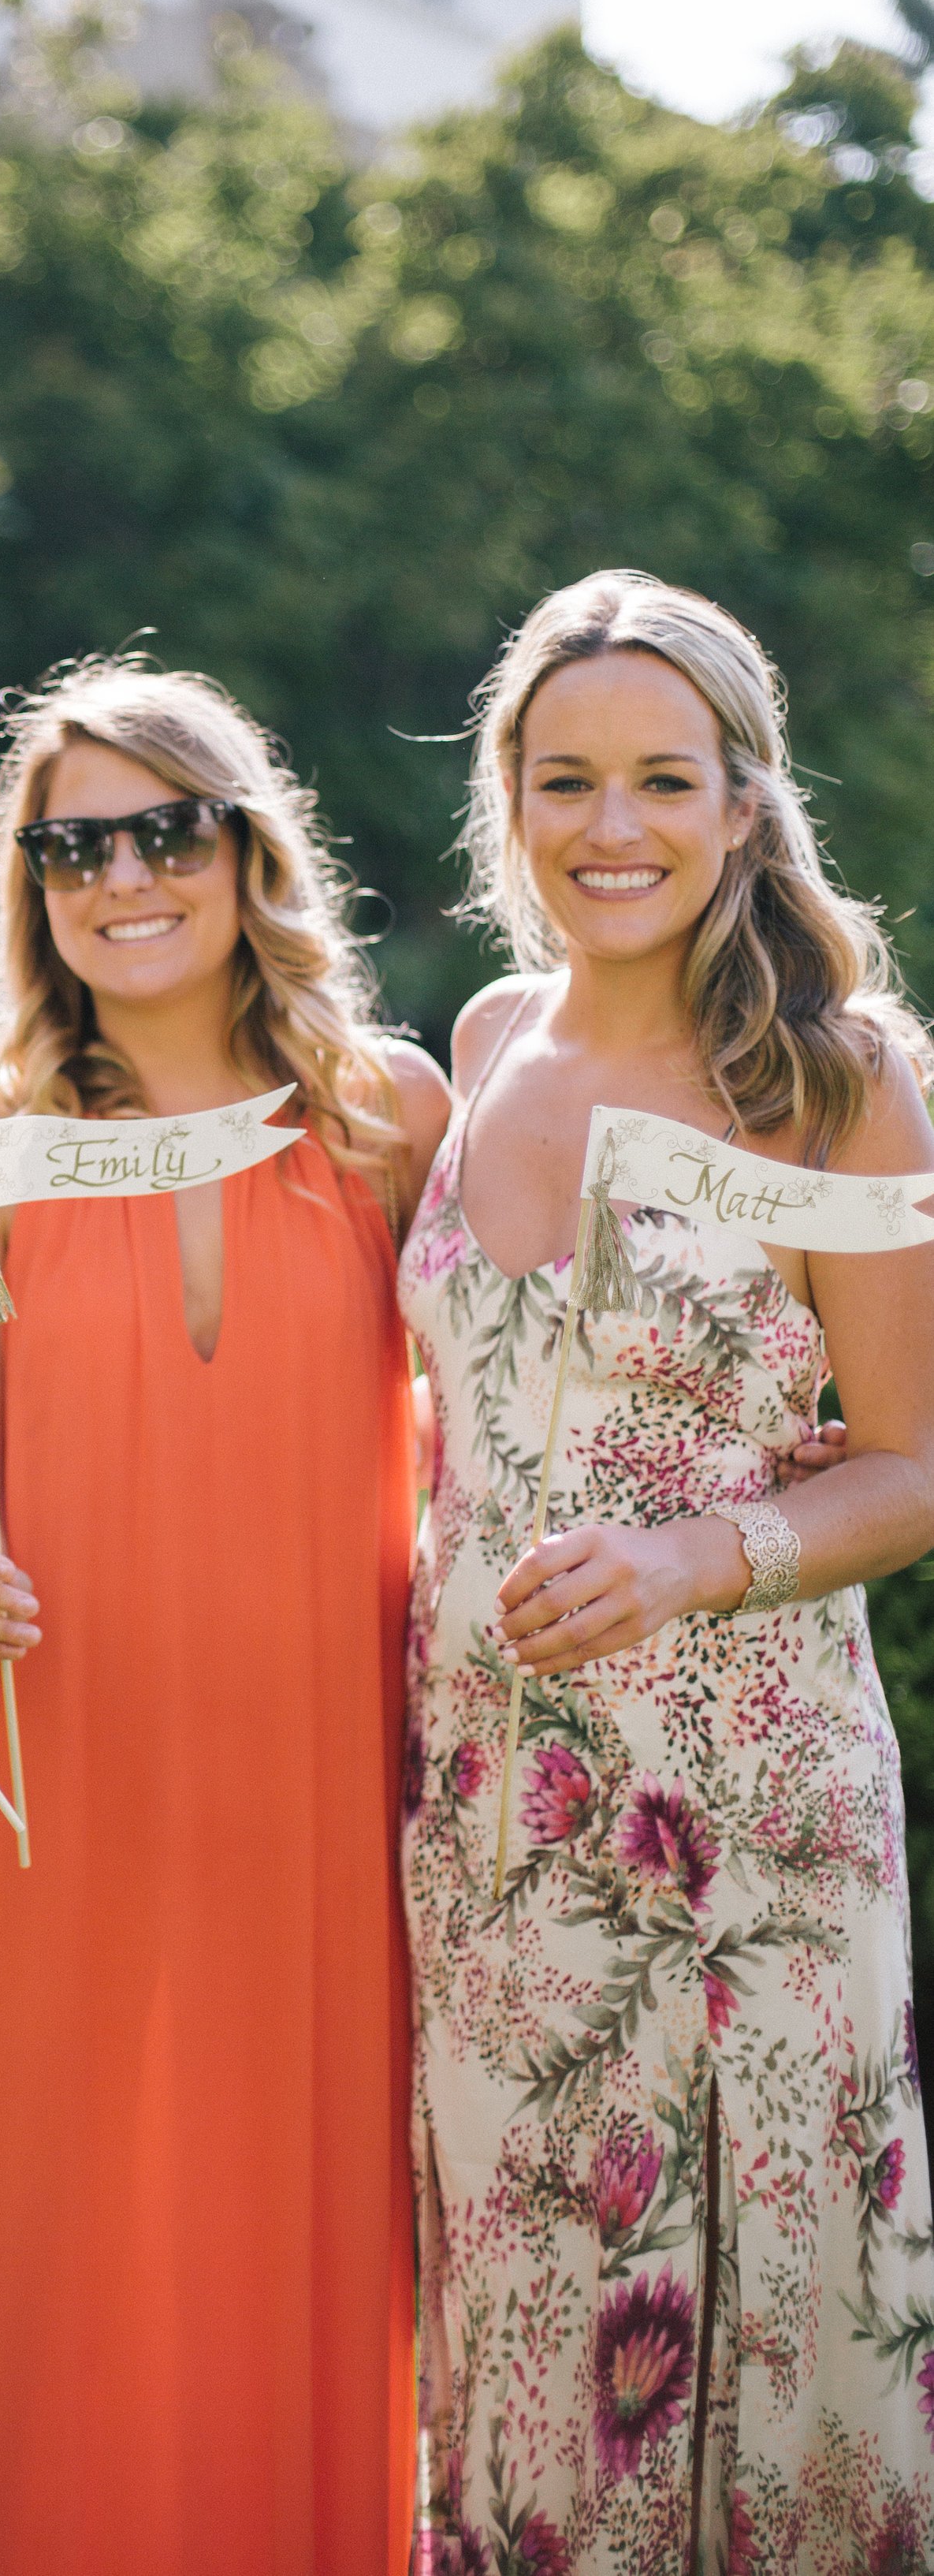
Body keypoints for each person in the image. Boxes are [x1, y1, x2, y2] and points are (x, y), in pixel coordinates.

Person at [402, 571, 934, 2565]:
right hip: (486, 1816)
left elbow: (911, 1463)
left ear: (738, 803)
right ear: (506, 803)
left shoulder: (835, 1075)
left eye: (657, 780)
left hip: (750, 1822)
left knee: (765, 2309)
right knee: (534, 2298)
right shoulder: (476, 1041)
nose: (606, 826)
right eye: (562, 781)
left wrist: (699, 1551)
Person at [0, 658, 450, 2574]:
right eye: (72, 846)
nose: (119, 877)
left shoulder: (388, 1115)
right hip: (62, 1761)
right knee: (61, 2225)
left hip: (317, 1775)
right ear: (28, 883)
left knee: (284, 2216)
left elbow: (499, 1407)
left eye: (163, 831)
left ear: (246, 853)